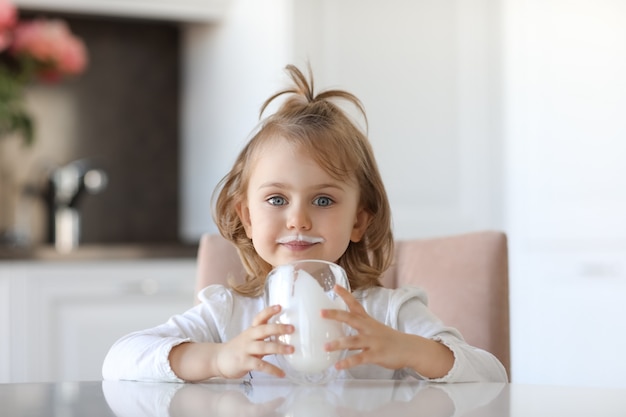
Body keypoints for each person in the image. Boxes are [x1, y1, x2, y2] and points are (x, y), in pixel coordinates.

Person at [102, 64, 508, 383]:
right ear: (246, 215)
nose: (298, 219)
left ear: (358, 221)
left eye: (324, 199)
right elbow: (120, 359)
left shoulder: (389, 314)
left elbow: (492, 374)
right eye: (277, 199)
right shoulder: (228, 315)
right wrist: (217, 357)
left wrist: (408, 349)